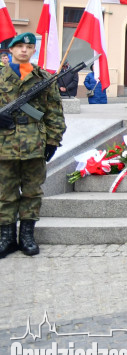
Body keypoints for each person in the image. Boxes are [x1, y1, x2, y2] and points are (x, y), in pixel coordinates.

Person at [0, 32, 67, 258]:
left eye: (28, 47)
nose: (24, 50)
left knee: (32, 192)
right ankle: (6, 237)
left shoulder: (43, 78)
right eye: (19, 46)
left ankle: (27, 236)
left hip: (35, 144)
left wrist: (53, 142)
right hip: (3, 144)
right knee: (4, 193)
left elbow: (55, 113)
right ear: (10, 50)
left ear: (33, 51)